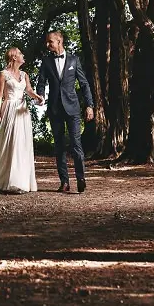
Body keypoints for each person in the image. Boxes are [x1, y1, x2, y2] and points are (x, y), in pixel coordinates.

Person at [35, 30, 94, 194]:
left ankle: (81, 179)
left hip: (73, 109)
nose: (48, 45)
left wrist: (89, 105)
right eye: (47, 42)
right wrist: (40, 96)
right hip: (54, 109)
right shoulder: (46, 61)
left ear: (59, 41)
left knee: (76, 144)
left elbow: (84, 84)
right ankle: (65, 182)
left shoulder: (74, 60)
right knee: (59, 146)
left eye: (50, 42)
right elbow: (41, 82)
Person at [0, 47, 43, 193]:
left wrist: (37, 97)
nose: (23, 55)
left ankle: (21, 181)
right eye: (20, 54)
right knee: (10, 143)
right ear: (13, 57)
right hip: (10, 109)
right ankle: (5, 181)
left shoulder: (24, 74)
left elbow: (29, 91)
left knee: (22, 144)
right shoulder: (3, 74)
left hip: (22, 111)